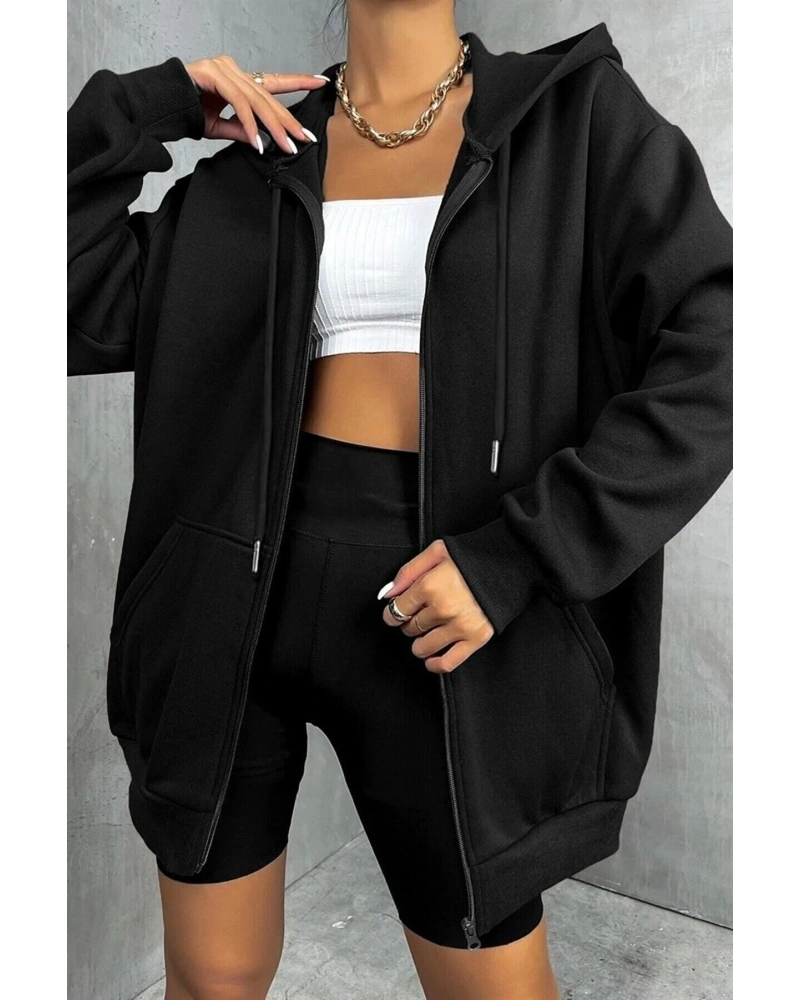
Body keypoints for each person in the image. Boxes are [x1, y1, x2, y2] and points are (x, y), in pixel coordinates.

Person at [64, 1, 735, 997]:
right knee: (209, 980)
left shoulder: (576, 119)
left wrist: (519, 557)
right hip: (227, 613)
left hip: (442, 620)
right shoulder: (260, 159)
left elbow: (727, 354)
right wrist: (145, 106)